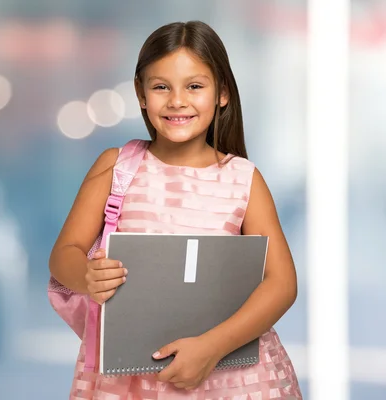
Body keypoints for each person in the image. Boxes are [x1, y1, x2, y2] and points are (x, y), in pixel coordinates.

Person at [49, 20, 302, 399]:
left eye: (195, 86)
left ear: (222, 94)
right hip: (129, 379)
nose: (177, 101)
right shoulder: (116, 167)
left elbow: (282, 284)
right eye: (161, 87)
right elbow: (62, 256)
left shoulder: (243, 179)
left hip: (232, 378)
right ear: (141, 93)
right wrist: (87, 275)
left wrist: (212, 347)